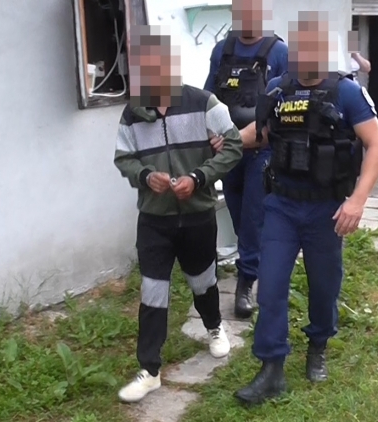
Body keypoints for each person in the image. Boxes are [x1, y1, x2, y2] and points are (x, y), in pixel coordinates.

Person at [233, 11, 378, 405]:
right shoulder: (277, 90)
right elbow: (261, 135)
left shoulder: (347, 92)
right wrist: (226, 140)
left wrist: (357, 200)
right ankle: (271, 369)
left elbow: (376, 146)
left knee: (323, 286)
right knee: (270, 287)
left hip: (326, 209)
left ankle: (318, 344)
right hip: (282, 206)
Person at [113, 25, 243, 403]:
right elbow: (124, 158)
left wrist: (199, 177)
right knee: (152, 291)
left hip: (197, 214)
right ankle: (150, 370)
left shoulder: (204, 102)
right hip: (154, 219)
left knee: (203, 281)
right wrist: (145, 176)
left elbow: (233, 146)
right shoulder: (133, 113)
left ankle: (214, 327)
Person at [203, 0, 289, 319]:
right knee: (239, 214)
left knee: (253, 216)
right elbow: (208, 97)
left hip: (262, 151)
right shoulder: (222, 50)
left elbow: (287, 105)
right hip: (228, 151)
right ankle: (256, 260)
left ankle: (246, 282)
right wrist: (209, 133)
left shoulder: (279, 52)